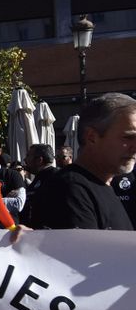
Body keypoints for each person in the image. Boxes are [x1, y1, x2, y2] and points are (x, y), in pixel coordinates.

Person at [26, 93, 136, 231]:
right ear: (92, 137)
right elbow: (85, 251)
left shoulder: (102, 185)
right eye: (128, 137)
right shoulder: (70, 189)